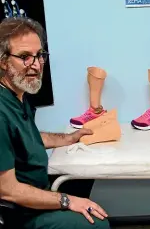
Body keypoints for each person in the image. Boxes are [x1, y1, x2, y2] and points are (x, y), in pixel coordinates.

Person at [0, 17, 110, 229]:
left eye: (39, 55)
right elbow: (7, 190)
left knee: (84, 175)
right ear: (3, 61)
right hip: (18, 215)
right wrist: (67, 200)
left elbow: (26, 137)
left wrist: (69, 138)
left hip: (36, 192)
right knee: (96, 224)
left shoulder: (18, 95)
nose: (36, 65)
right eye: (24, 57)